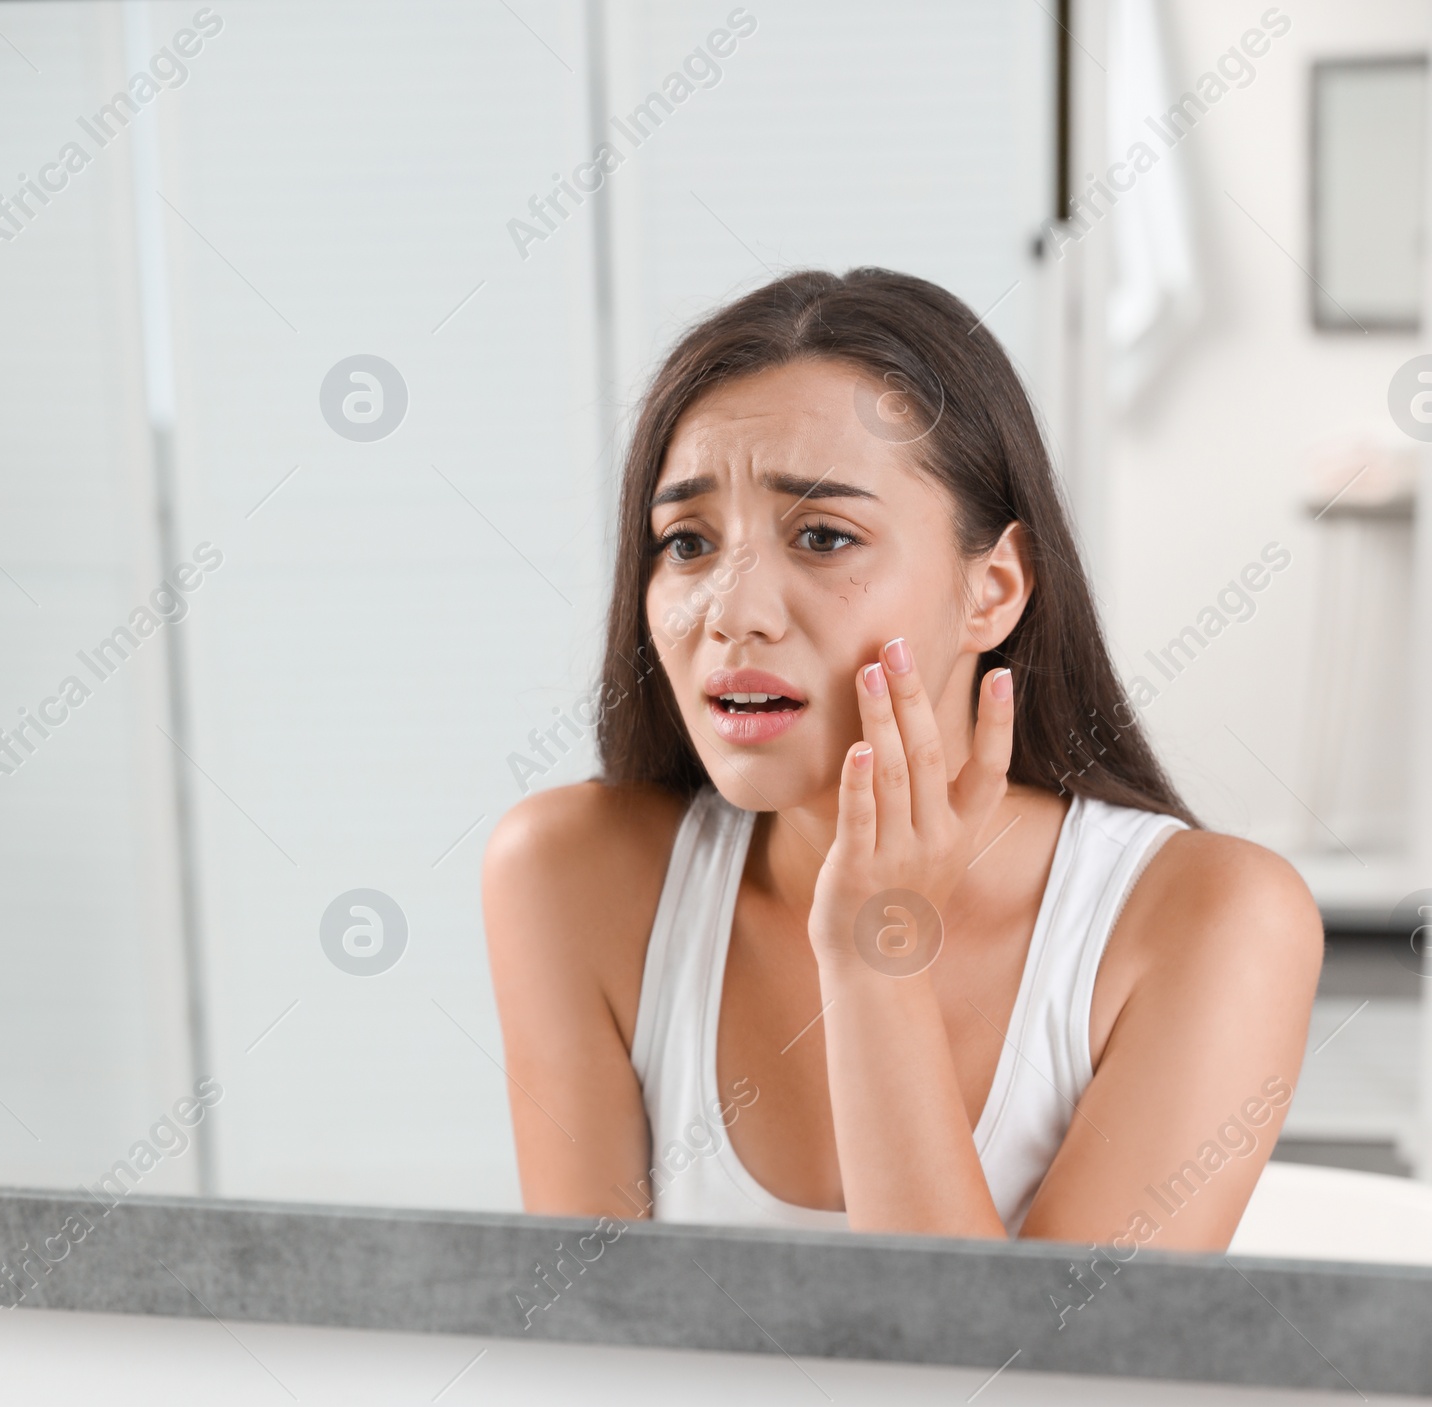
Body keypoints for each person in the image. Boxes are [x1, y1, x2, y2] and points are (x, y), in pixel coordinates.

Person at [484, 268, 1321, 1247]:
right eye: (687, 543)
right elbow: (586, 1367)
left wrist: (876, 963)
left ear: (994, 590)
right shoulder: (570, 877)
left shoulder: (1213, 920)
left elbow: (1021, 1400)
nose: (733, 613)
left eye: (824, 536)